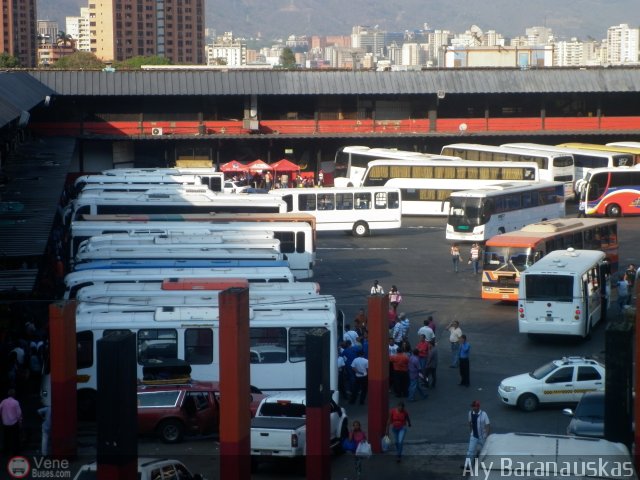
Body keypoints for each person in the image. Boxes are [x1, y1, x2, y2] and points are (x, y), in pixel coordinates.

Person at [0, 388, 22, 455]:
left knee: (6, 438)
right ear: (14, 394)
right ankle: (15, 452)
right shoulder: (16, 402)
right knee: (15, 438)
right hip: (14, 423)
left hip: (5, 423)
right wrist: (20, 421)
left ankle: (6, 450)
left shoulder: (3, 402)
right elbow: (19, 413)